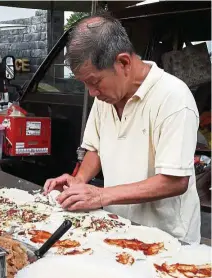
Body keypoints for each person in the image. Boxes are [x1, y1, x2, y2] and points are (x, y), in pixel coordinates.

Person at [44, 12, 200, 243]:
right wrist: (79, 181)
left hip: (166, 238)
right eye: (85, 84)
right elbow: (95, 149)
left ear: (124, 62)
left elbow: (175, 180)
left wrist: (100, 195)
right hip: (118, 228)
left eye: (95, 82)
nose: (92, 93)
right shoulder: (105, 99)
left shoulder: (173, 98)